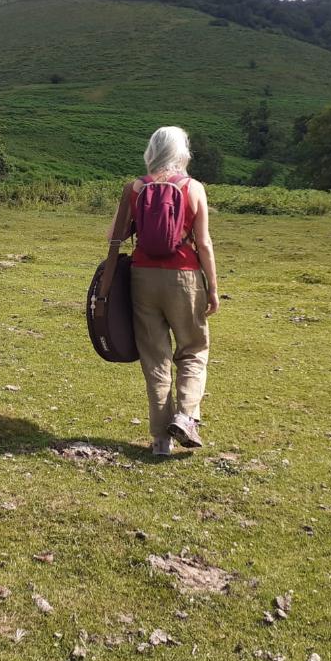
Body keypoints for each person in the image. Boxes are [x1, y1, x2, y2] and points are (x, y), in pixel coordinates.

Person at [107, 126, 219, 456]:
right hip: (184, 277)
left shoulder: (135, 188)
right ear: (182, 152)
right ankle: (185, 416)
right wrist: (213, 287)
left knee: (155, 358)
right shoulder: (193, 187)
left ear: (151, 151)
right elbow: (204, 243)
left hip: (142, 277)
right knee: (194, 348)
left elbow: (112, 236)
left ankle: (160, 440)